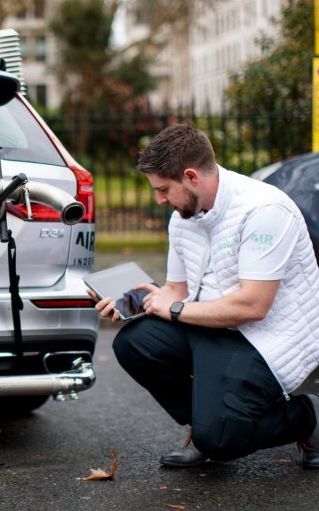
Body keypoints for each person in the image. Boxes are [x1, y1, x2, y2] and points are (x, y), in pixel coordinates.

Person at [88, 123, 319, 468]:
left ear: (192, 177)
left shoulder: (265, 211)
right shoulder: (183, 216)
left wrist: (176, 308)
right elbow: (176, 291)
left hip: (266, 337)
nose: (159, 199)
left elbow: (253, 306)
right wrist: (139, 301)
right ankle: (204, 423)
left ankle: (310, 415)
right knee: (134, 343)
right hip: (211, 326)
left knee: (222, 438)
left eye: (164, 189)